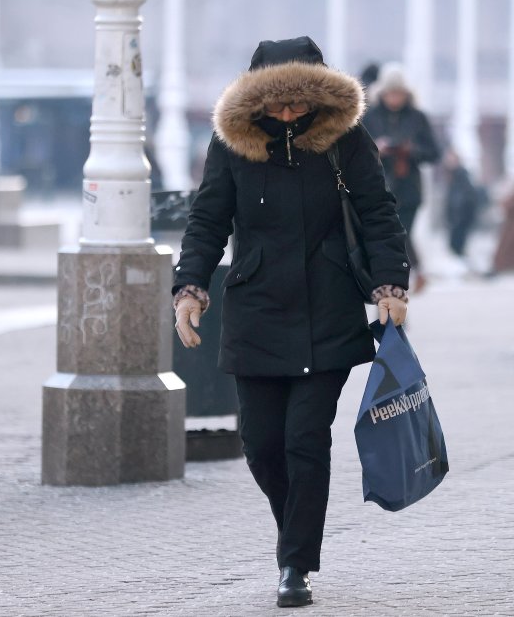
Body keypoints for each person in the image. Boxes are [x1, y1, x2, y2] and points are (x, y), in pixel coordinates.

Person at [171, 37, 410, 608]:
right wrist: (190, 287)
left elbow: (378, 213)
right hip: (255, 311)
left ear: (319, 98)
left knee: (305, 439)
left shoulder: (345, 139)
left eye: (298, 104)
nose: (287, 114)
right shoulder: (232, 144)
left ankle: (295, 564)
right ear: (255, 102)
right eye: (276, 104)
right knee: (261, 446)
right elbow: (208, 219)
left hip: (328, 308)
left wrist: (390, 285)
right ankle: (294, 535)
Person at [362, 62, 441, 292]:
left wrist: (410, 150)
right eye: (390, 93)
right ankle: (399, 281)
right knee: (388, 238)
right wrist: (376, 149)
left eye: (398, 93)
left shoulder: (418, 118)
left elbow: (433, 152)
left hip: (409, 190)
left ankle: (395, 287)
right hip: (378, 189)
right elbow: (357, 153)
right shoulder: (370, 117)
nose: (394, 98)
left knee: (400, 236)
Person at [441, 149, 481, 268]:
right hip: (455, 216)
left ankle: (461, 267)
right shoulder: (452, 175)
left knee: (457, 244)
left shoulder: (461, 174)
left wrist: (460, 213)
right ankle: (459, 266)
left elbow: (466, 196)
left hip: (460, 216)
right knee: (454, 245)